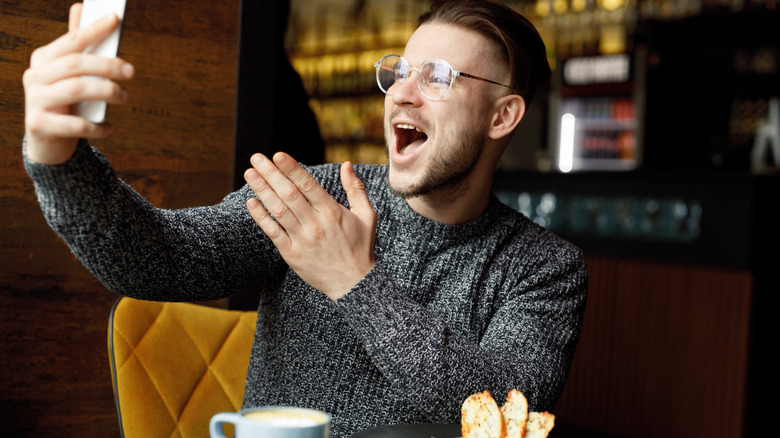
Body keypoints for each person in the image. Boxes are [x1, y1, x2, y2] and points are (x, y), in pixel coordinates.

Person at [22, 1, 587, 437]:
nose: (401, 96)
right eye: (400, 72)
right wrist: (56, 157)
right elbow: (157, 260)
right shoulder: (319, 192)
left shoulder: (544, 268)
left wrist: (355, 284)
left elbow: (499, 416)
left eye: (437, 78)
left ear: (503, 115)